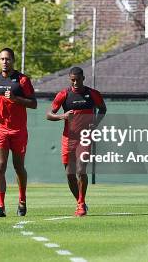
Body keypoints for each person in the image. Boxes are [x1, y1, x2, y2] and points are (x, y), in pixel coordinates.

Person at [47, 67, 106, 216]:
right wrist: (63, 116)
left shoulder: (93, 94)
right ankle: (80, 202)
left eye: (77, 80)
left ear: (83, 78)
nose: (75, 83)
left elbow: (102, 109)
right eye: (72, 80)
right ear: (69, 79)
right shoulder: (64, 95)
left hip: (85, 137)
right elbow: (49, 114)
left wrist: (96, 123)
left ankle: (81, 204)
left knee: (81, 170)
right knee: (69, 174)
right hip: (68, 138)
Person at [0, 48, 37, 217]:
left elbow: (34, 103)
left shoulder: (22, 80)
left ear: (13, 60)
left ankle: (22, 199)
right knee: (0, 166)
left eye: (7, 59)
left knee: (18, 167)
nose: (4, 61)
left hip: (18, 130)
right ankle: (1, 206)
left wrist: (16, 99)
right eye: (2, 59)